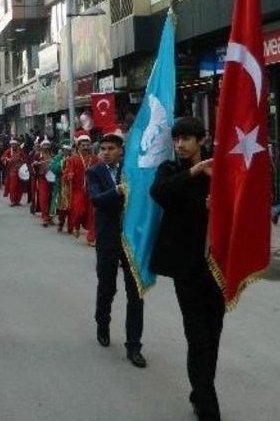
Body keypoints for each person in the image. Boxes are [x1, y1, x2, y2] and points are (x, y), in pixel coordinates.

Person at [150, 117, 223, 421]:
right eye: (176, 139)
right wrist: (194, 171)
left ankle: (200, 390)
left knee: (213, 333)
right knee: (197, 336)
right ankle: (207, 406)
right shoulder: (171, 170)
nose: (180, 144)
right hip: (186, 267)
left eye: (187, 139)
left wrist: (218, 204)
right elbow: (160, 193)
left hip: (216, 267)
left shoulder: (220, 171)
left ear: (201, 140)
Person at [86, 133, 146, 369]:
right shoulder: (95, 172)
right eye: (103, 148)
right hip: (108, 239)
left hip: (132, 240)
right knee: (107, 286)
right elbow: (97, 199)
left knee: (136, 293)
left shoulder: (132, 170)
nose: (106, 152)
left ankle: (134, 345)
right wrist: (119, 191)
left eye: (111, 148)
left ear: (121, 150)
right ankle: (102, 322)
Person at [67, 134, 99, 245]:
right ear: (78, 146)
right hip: (78, 190)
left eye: (87, 145)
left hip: (92, 190)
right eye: (83, 145)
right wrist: (69, 175)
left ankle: (91, 238)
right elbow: (66, 173)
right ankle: (76, 225)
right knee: (79, 211)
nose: (85, 147)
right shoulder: (73, 159)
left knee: (92, 214)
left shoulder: (95, 159)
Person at [49, 140, 73, 232]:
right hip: (60, 186)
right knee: (61, 205)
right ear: (62, 150)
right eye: (65, 150)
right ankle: (60, 222)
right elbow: (52, 168)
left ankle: (71, 226)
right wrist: (62, 162)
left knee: (71, 206)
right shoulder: (58, 157)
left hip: (71, 186)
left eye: (69, 150)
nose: (67, 152)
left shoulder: (74, 158)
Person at [32, 138, 54, 227]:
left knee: (51, 198)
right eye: (44, 145)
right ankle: (44, 217)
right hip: (42, 178)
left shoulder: (52, 155)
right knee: (43, 198)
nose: (46, 147)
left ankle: (50, 217)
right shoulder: (37, 155)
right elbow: (32, 165)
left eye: (47, 145)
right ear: (41, 146)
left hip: (52, 178)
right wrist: (35, 164)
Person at [0, 138, 24, 206]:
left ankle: (18, 200)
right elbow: (2, 158)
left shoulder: (20, 151)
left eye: (14, 144)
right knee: (13, 186)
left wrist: (21, 160)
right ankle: (13, 200)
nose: (13, 145)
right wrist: (7, 159)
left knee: (20, 186)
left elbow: (25, 158)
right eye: (12, 144)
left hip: (20, 170)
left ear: (17, 144)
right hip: (12, 171)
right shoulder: (8, 151)